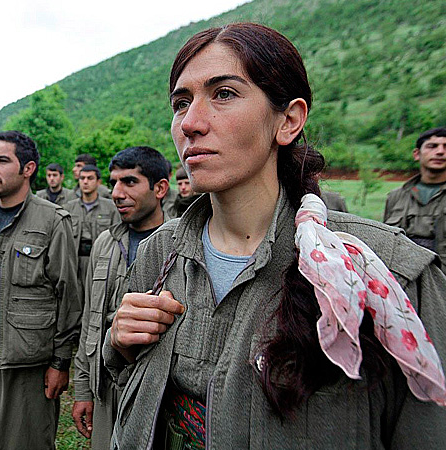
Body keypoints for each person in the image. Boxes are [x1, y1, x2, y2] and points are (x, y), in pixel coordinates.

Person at [104, 23, 446, 449]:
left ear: (288, 120)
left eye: (223, 94)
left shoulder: (380, 271)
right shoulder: (161, 251)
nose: (190, 123)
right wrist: (120, 343)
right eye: (181, 103)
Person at [0, 131, 81, 450]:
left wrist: (61, 363)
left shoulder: (52, 221)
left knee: (25, 441)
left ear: (28, 168)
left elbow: (68, 298)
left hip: (26, 359)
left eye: (2, 161)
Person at [72, 146, 169, 449]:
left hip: (158, 394)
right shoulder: (105, 243)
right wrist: (83, 390)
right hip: (106, 387)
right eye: (114, 182)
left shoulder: (180, 244)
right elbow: (90, 321)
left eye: (129, 182)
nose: (116, 193)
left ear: (160, 189)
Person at [384, 127, 446, 270]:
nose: (440, 152)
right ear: (417, 154)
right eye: (432, 146)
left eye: (445, 147)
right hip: (404, 276)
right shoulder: (396, 197)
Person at [64, 165, 120, 296]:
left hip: (101, 262)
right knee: (74, 300)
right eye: (82, 178)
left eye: (90, 178)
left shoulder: (111, 208)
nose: (85, 182)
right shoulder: (68, 208)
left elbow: (118, 237)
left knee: (97, 297)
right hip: (75, 263)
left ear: (98, 182)